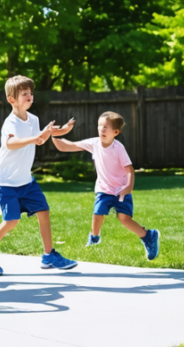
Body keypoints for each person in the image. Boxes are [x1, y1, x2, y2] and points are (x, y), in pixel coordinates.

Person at [0, 75, 77, 276]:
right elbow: (11, 143)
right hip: (7, 182)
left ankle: (49, 255)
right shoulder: (10, 122)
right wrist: (36, 137)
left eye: (31, 93)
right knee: (11, 221)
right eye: (24, 94)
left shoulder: (34, 119)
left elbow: (42, 134)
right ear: (11, 99)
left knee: (44, 212)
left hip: (26, 181)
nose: (30, 96)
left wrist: (60, 131)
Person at [52, 111, 160, 260]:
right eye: (100, 126)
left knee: (124, 219)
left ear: (116, 132)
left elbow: (129, 169)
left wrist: (128, 186)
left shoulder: (118, 148)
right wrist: (54, 134)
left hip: (121, 190)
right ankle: (95, 237)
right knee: (98, 213)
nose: (101, 129)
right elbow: (66, 146)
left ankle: (149, 236)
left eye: (105, 127)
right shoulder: (94, 143)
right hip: (104, 189)